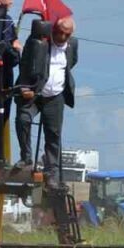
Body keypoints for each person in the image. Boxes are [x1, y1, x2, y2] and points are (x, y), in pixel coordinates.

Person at [15, 16, 78, 180]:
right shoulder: (38, 42)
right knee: (23, 119)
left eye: (66, 34)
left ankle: (52, 171)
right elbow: (24, 64)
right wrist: (24, 87)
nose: (62, 37)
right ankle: (26, 157)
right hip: (34, 94)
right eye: (59, 32)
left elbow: (72, 62)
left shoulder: (73, 45)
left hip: (55, 96)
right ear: (53, 30)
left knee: (53, 133)